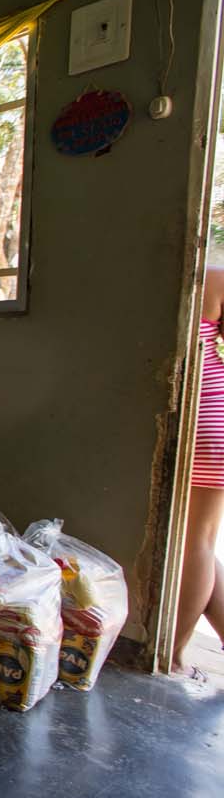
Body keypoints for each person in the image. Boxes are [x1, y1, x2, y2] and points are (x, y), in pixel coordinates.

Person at [175, 265, 224, 679]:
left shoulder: (197, 272)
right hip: (212, 412)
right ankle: (172, 653)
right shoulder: (220, 277)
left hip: (190, 414)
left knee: (195, 545)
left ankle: (172, 649)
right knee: (199, 544)